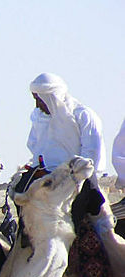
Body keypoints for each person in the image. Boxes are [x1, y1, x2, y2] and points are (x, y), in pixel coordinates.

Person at [19, 74, 107, 228]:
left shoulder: (83, 115)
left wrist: (70, 176)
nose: (37, 105)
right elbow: (35, 148)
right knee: (21, 189)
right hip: (46, 176)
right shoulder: (38, 117)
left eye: (40, 99)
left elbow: (91, 156)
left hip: (77, 178)